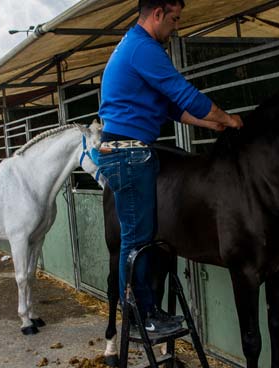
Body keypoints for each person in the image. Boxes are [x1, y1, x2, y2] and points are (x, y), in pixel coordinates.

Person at [98, 0, 242, 334]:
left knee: (140, 236)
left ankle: (145, 312)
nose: (175, 26)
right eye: (174, 19)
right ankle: (140, 316)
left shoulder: (134, 47)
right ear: (157, 13)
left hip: (127, 149)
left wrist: (211, 125)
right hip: (129, 152)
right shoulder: (143, 48)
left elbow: (172, 108)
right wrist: (227, 118)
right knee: (136, 238)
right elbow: (184, 94)